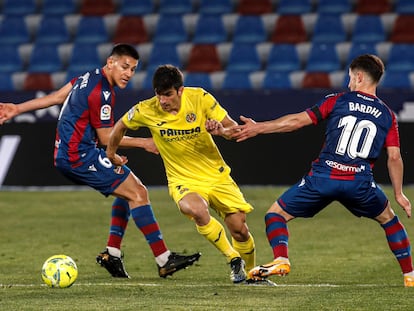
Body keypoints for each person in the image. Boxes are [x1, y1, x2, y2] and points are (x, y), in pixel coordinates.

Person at [0, 44, 200, 279]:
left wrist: (17, 109)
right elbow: (107, 138)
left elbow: (56, 97)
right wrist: (145, 143)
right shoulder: (101, 92)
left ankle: (112, 254)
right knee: (138, 193)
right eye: (125, 66)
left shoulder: (87, 77)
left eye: (133, 69)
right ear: (110, 62)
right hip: (79, 156)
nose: (128, 73)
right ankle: (164, 259)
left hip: (73, 153)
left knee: (128, 190)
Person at [232, 54, 414, 287]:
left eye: (350, 77)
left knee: (275, 215)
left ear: (358, 77)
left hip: (322, 178)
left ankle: (281, 258)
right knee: (390, 221)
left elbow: (296, 121)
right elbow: (395, 157)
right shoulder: (388, 114)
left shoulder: (338, 100)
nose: (349, 83)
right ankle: (409, 276)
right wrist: (399, 193)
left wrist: (259, 128)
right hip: (359, 183)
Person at [105, 64, 273, 285]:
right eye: (158, 94)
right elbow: (119, 127)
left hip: (216, 176)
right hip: (183, 179)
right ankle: (233, 259)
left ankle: (251, 274)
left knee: (239, 229)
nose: (162, 100)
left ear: (180, 90)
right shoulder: (145, 109)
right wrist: (111, 153)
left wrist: (221, 132)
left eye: (167, 94)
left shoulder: (200, 98)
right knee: (195, 209)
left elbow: (233, 129)